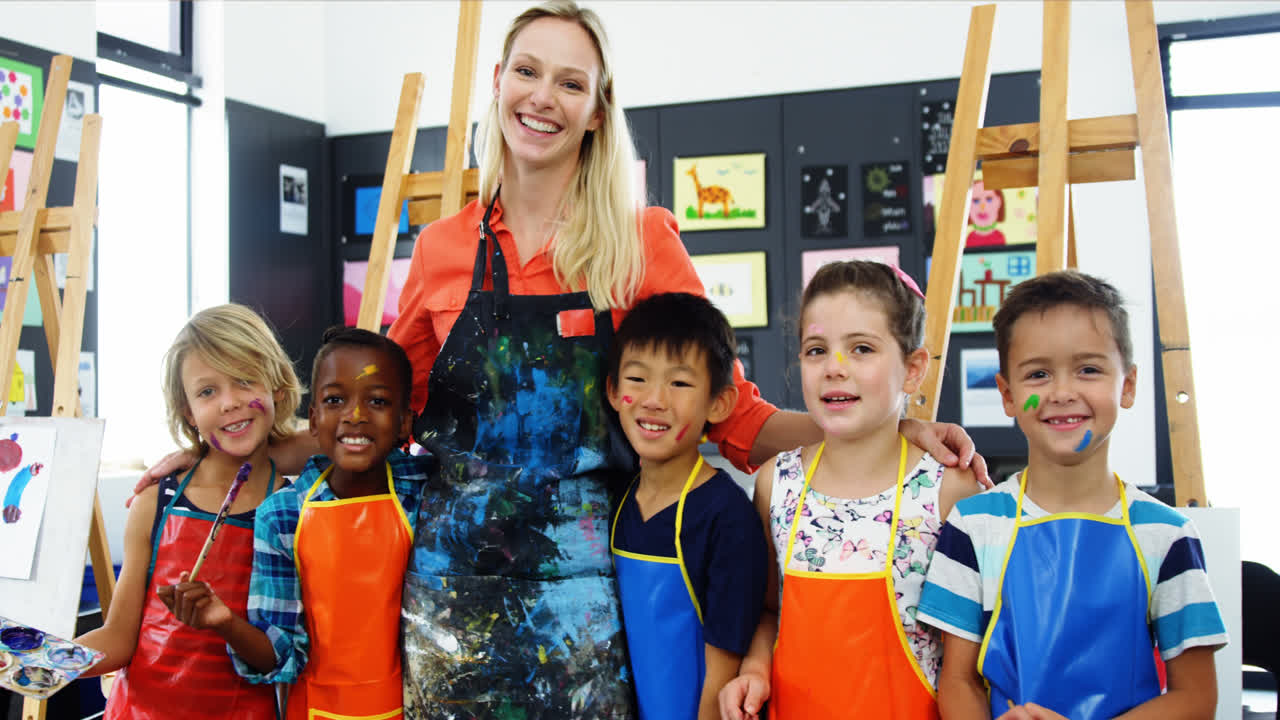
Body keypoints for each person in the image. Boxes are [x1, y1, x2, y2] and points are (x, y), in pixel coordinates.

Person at [140, 4, 985, 716]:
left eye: (571, 83)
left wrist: (889, 432)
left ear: (596, 109)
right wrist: (226, 450)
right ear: (500, 82)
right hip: (448, 595)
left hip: (586, 594)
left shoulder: (642, 242)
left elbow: (730, 412)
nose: (544, 98)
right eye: (528, 72)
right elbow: (371, 418)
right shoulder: (440, 249)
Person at [917, 271, 1228, 720]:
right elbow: (958, 680)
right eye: (1038, 373)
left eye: (1088, 369)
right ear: (1007, 394)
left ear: (1127, 385)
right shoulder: (973, 526)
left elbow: (1197, 698)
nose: (1062, 392)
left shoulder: (1168, 534)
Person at [720, 261, 980, 720]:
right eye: (817, 350)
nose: (835, 368)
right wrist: (755, 670)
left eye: (861, 348)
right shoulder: (774, 485)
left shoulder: (948, 490)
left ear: (914, 368)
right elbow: (767, 612)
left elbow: (974, 660)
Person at [161, 327, 426, 720]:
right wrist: (224, 622)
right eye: (336, 400)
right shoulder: (282, 515)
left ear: (405, 423)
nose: (355, 416)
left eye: (378, 401)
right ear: (314, 419)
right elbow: (278, 654)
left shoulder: (426, 493)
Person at [76, 304, 300, 720]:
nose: (230, 402)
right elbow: (119, 640)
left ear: (278, 389)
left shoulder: (295, 510)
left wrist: (224, 623)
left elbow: (282, 659)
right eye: (207, 392)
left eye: (244, 379)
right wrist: (48, 660)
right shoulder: (154, 501)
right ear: (188, 413)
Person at [604, 293, 768, 720]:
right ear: (612, 388)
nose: (654, 400)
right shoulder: (613, 500)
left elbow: (723, 668)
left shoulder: (726, 517)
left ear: (719, 403)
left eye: (679, 384)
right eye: (637, 380)